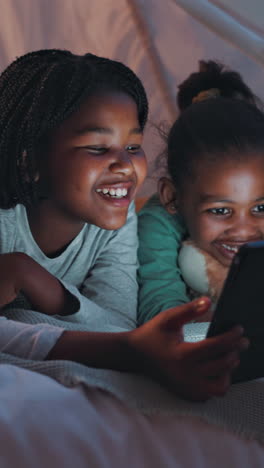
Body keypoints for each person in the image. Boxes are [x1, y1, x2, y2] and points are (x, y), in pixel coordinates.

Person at [0, 50, 246, 402]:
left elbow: (118, 326)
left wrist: (38, 282)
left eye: (133, 146)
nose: (126, 166)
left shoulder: (117, 213)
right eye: (98, 148)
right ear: (29, 161)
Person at [138, 60, 263, 323]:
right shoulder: (156, 223)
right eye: (220, 210)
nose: (244, 230)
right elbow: (162, 315)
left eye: (260, 208)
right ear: (172, 197)